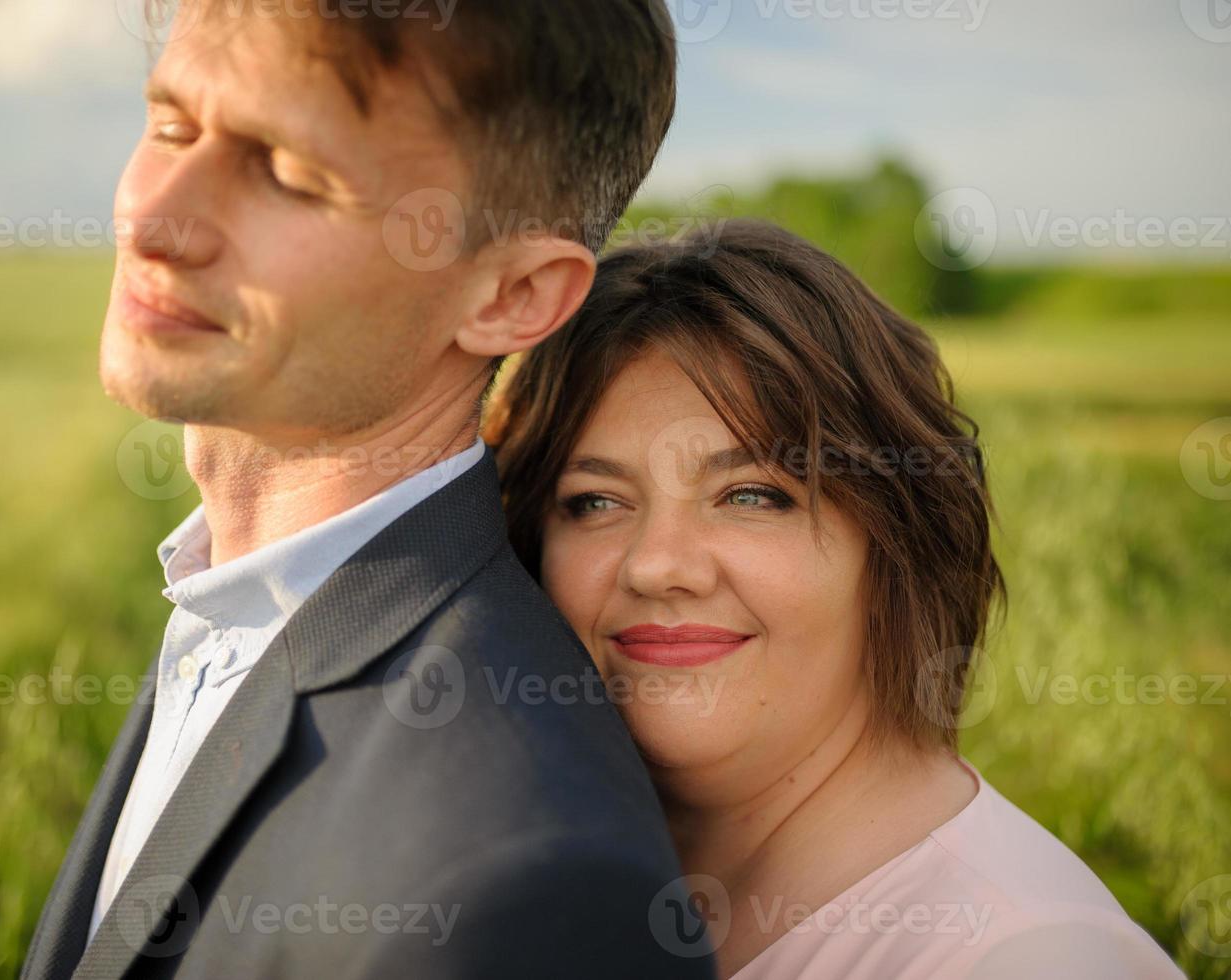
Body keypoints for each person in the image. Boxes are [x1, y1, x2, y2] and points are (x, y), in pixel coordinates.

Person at [23, 1, 718, 977]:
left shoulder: (529, 885)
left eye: (286, 173)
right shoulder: (238, 597)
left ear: (512, 294)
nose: (154, 217)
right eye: (172, 125)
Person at [487, 219, 1185, 979]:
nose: (656, 566)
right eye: (593, 502)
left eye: (750, 495)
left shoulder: (1026, 958)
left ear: (894, 543)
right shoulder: (555, 891)